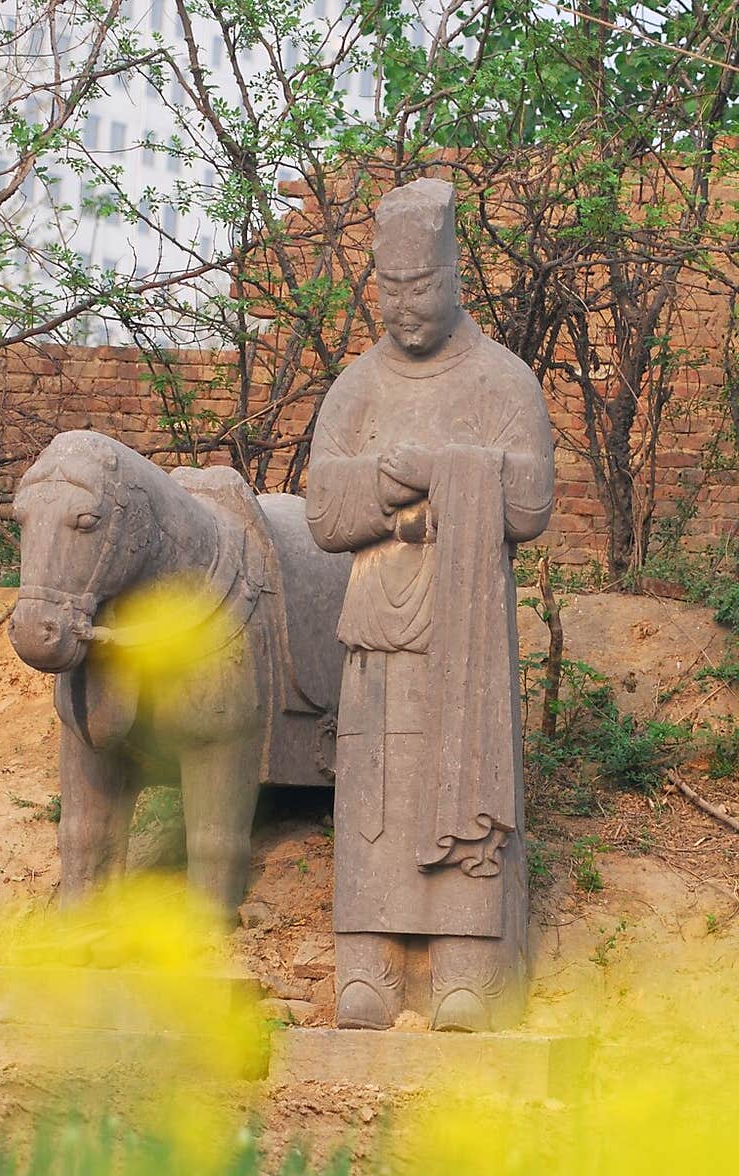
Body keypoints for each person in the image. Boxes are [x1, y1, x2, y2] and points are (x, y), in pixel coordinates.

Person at [306, 178, 554, 1031]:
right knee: (374, 792)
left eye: (423, 287)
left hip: (466, 635)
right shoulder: (355, 387)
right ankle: (366, 965)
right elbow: (322, 511)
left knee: (460, 777)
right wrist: (388, 481)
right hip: (377, 627)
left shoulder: (501, 380)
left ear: (455, 277)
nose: (405, 307)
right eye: (390, 289)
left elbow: (528, 505)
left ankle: (465, 970)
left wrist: (446, 468)